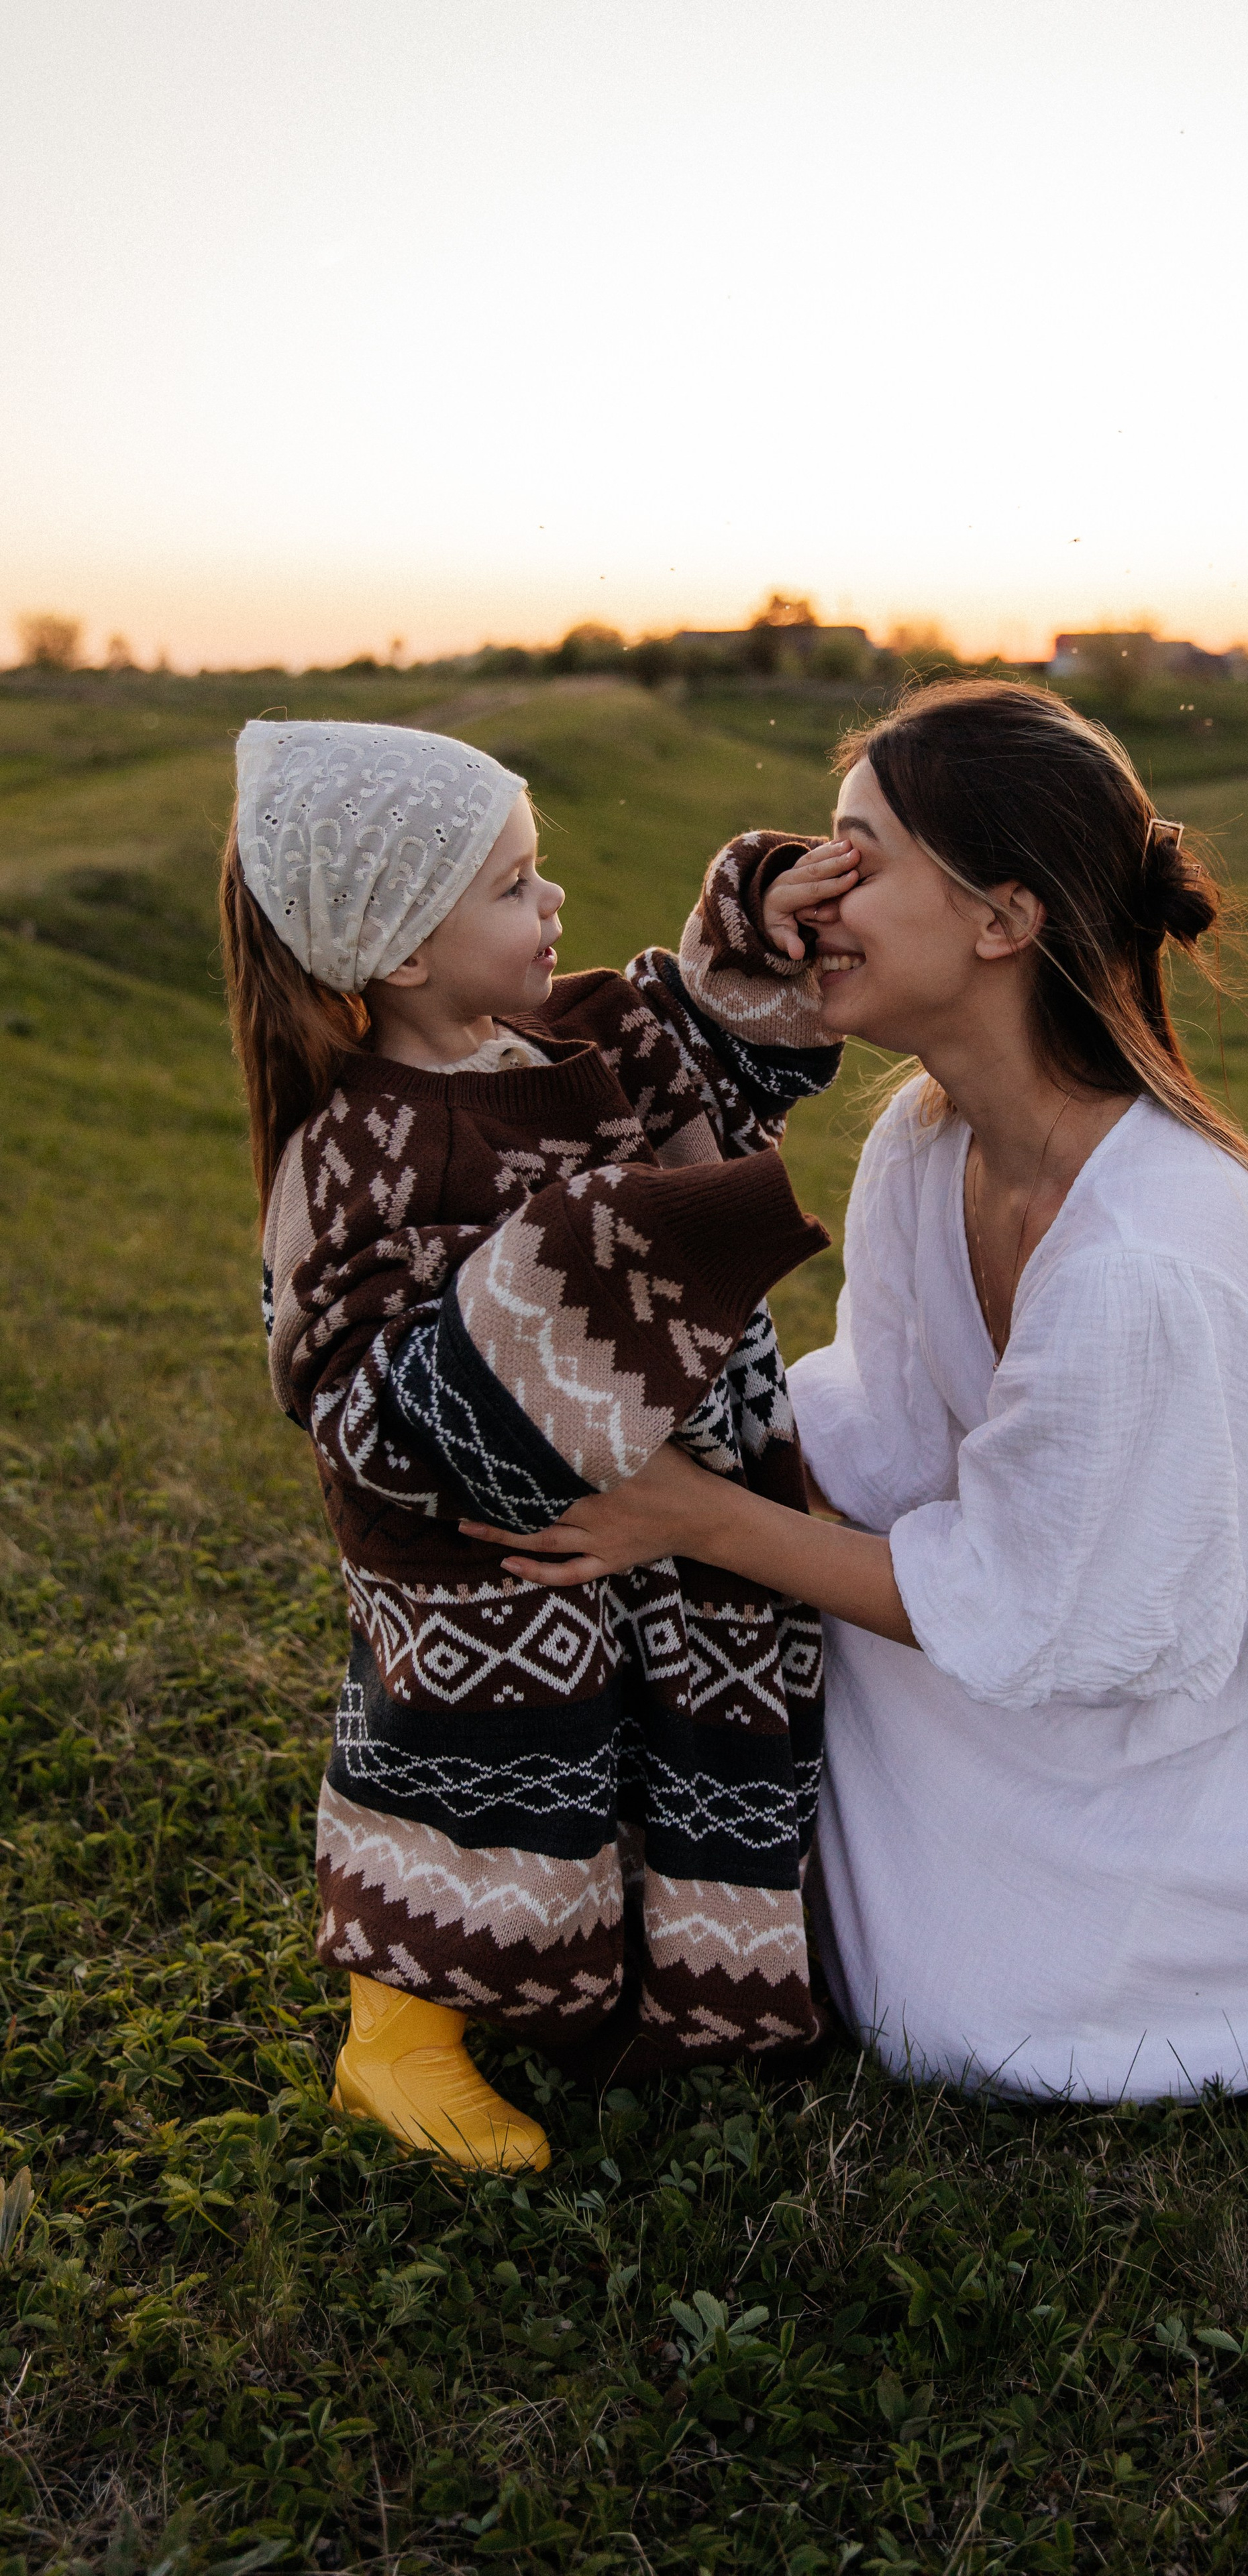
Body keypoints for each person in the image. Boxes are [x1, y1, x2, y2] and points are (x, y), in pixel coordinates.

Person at [473, 678, 1248, 2118]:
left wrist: (694, 1517)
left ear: (1003, 919)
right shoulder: (923, 1150)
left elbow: (1076, 1615)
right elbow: (883, 1442)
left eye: (860, 852)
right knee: (778, 1722)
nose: (812, 892)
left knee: (964, 2013)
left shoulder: (1149, 1256)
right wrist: (650, 1426)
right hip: (1073, 1600)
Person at [221, 717, 853, 2169]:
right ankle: (399, 2033)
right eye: (512, 887)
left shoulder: (567, 1036)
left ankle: (681, 1993)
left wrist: (761, 911)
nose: (552, 904)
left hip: (671, 1505)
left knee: (677, 1741)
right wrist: (591, 1256)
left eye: (539, 870)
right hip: (493, 1566)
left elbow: (694, 1031)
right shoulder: (362, 1147)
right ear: (394, 955)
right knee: (490, 1779)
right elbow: (354, 1389)